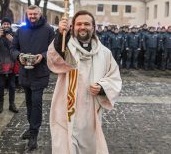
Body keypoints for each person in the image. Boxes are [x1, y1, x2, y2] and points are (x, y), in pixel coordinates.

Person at [47, 10, 122, 154]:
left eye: (87, 24)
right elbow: (56, 61)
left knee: (90, 147)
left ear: (93, 27)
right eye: (78, 24)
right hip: (66, 110)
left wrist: (102, 87)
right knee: (65, 147)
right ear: (72, 27)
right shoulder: (66, 48)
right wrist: (59, 35)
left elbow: (114, 77)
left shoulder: (104, 53)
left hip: (90, 114)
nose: (82, 27)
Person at [10, 5, 55, 151]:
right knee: (29, 103)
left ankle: (34, 134)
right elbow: (13, 48)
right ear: (27, 15)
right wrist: (19, 56)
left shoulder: (48, 29)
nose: (32, 17)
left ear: (40, 14)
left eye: (35, 14)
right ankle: (31, 127)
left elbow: (53, 50)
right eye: (30, 14)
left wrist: (42, 56)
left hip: (40, 73)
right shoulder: (21, 29)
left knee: (36, 103)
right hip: (25, 73)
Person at [0, 17, 18, 114]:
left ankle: (12, 104)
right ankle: (0, 104)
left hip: (12, 63)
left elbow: (20, 47)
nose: (6, 25)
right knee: (1, 85)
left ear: (10, 25)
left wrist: (13, 40)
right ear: (2, 25)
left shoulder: (14, 35)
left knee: (12, 85)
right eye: (4, 24)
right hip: (1, 63)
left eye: (7, 24)